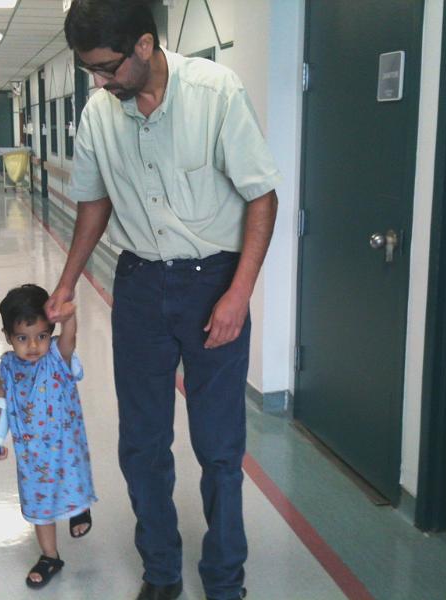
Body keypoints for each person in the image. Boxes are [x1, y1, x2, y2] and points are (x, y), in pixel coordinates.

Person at [48, 2, 280, 599]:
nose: (99, 82)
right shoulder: (100, 113)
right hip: (141, 287)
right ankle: (161, 573)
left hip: (214, 283)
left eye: (106, 67)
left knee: (219, 446)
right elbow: (94, 201)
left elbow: (261, 197)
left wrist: (238, 294)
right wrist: (68, 281)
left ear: (145, 46)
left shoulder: (216, 92)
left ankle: (225, 580)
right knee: (142, 441)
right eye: (89, 71)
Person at [0, 284, 97, 589]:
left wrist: (69, 316)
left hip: (65, 448)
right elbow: (0, 402)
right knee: (39, 505)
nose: (33, 345)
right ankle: (50, 556)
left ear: (51, 333)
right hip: (31, 453)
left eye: (42, 336)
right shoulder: (7, 366)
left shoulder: (57, 357)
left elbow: (70, 336)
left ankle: (78, 509)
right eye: (22, 338)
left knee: (72, 482)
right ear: (8, 336)